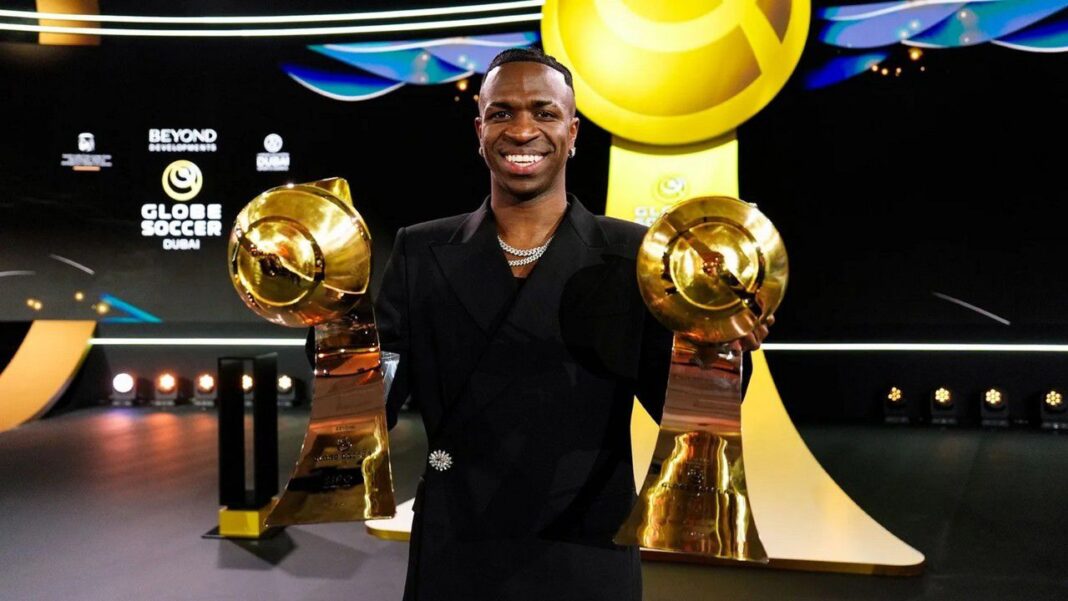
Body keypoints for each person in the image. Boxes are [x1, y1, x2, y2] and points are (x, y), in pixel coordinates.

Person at [374, 47, 771, 601]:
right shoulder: (421, 250)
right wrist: (334, 325)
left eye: (544, 112)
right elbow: (376, 401)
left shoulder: (636, 256)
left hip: (586, 545)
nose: (522, 130)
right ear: (480, 130)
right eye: (502, 113)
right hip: (458, 544)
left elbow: (674, 407)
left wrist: (714, 348)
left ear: (573, 132)